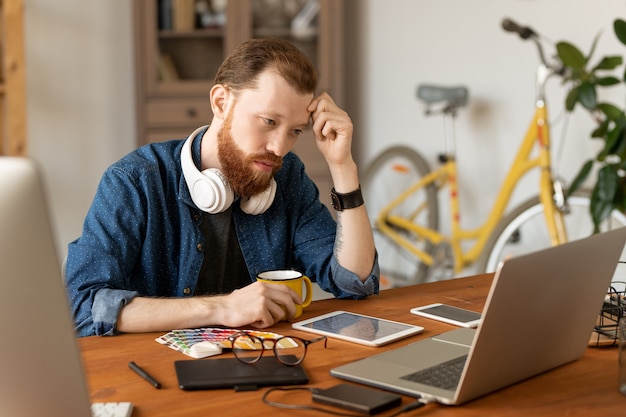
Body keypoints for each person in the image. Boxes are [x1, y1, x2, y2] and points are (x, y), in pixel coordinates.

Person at [65, 38, 379, 337]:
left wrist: (343, 167)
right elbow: (82, 307)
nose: (280, 148)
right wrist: (222, 308)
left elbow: (355, 282)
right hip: (159, 375)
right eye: (269, 122)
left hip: (261, 364)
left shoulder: (289, 179)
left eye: (295, 131)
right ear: (221, 102)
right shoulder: (135, 180)